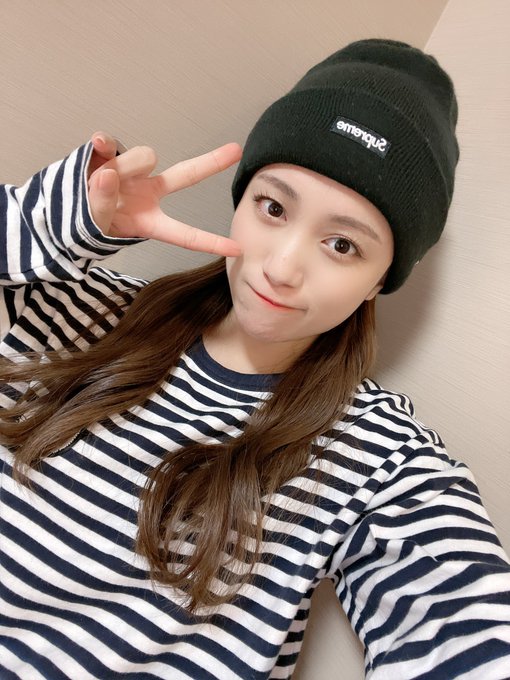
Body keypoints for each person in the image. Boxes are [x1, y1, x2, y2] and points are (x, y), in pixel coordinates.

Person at [0, 38, 509, 679]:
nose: (282, 266)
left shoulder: (378, 456)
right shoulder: (77, 309)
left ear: (380, 280)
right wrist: (56, 223)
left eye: (343, 245)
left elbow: (469, 631)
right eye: (273, 208)